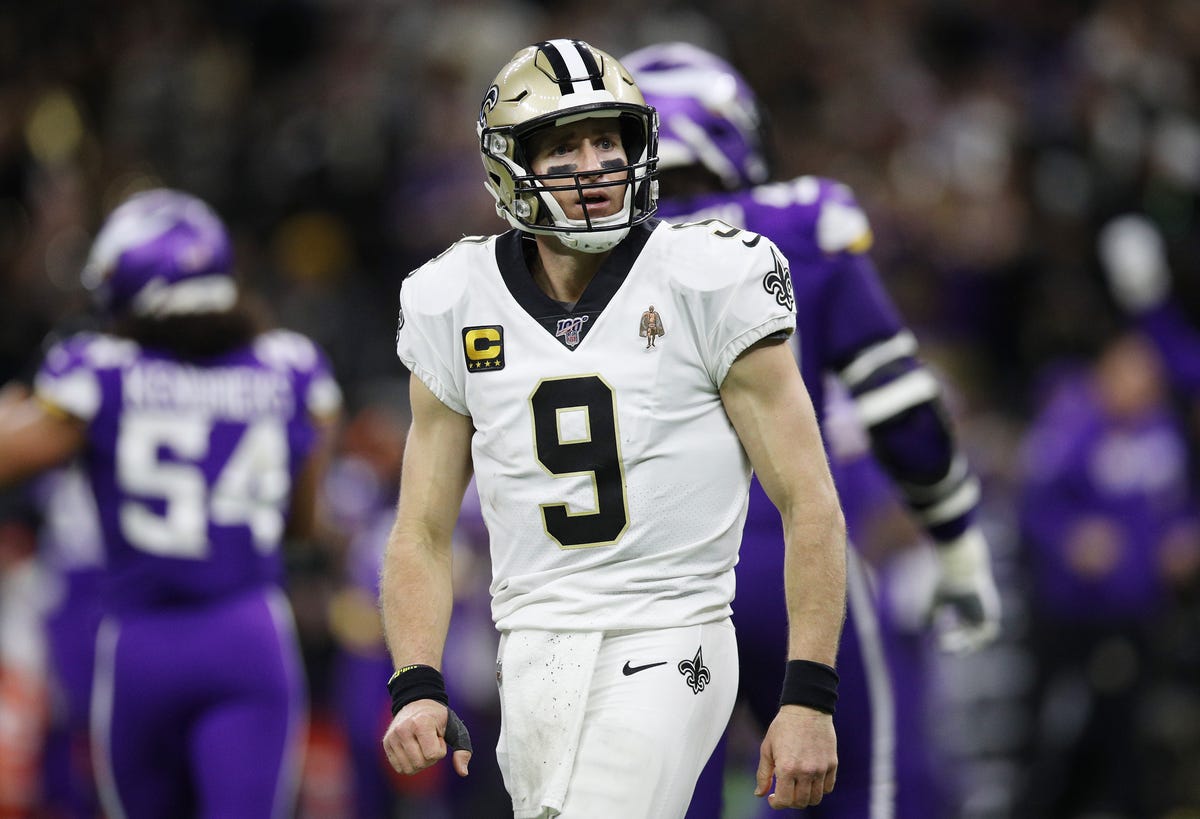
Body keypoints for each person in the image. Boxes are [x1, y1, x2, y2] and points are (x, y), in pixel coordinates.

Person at [379, 39, 848, 818]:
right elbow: (420, 529)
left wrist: (808, 693)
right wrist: (416, 682)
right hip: (529, 647)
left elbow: (810, 499)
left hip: (671, 627)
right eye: (564, 144)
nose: (594, 162)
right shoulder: (452, 296)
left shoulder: (711, 275)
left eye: (608, 139)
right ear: (510, 165)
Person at [622, 41, 1003, 818]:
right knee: (854, 790)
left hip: (640, 583)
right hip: (786, 564)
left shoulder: (570, 261)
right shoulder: (800, 222)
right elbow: (900, 407)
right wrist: (957, 540)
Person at [0, 188, 343, 819]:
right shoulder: (292, 367)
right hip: (248, 635)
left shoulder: (96, 370)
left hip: (140, 642)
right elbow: (301, 523)